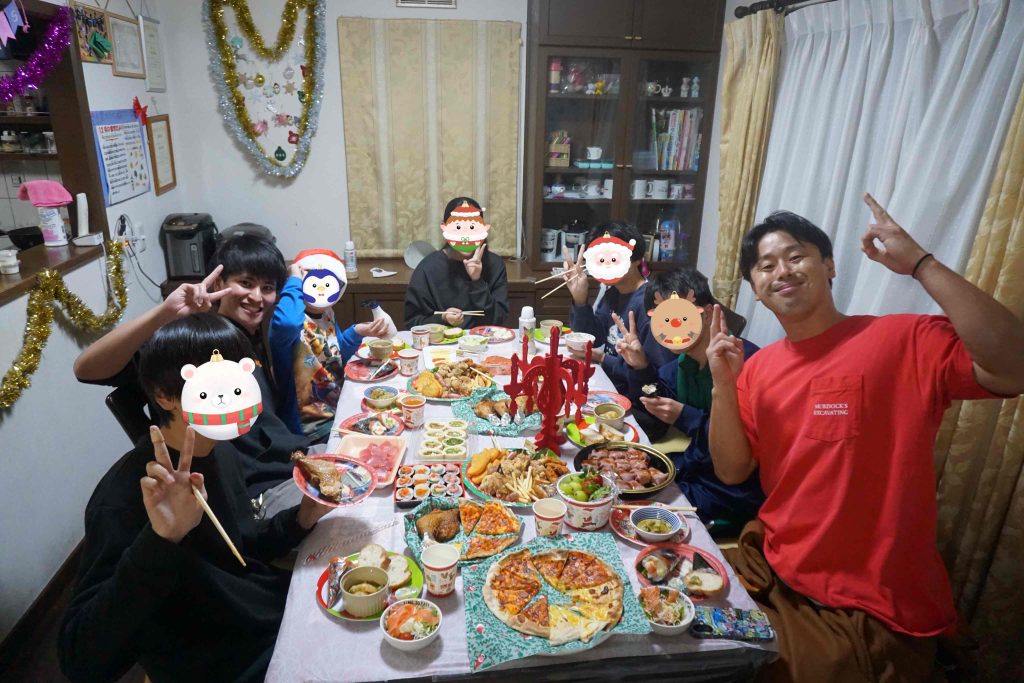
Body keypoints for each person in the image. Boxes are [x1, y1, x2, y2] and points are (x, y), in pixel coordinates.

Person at [706, 195, 1024, 682]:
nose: (782, 271)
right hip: (778, 565)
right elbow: (732, 471)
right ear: (756, 290)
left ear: (829, 266)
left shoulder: (904, 340)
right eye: (766, 266)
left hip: (872, 597)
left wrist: (922, 265)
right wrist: (722, 387)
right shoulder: (759, 368)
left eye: (796, 256)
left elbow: (1013, 368)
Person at [60, 314, 332, 683]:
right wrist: (162, 539)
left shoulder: (220, 450)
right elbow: (79, 659)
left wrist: (301, 518)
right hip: (222, 660)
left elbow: (241, 547)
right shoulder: (128, 496)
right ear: (164, 395)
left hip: (262, 613)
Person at [74, 232, 308, 502]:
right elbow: (86, 369)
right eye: (245, 283)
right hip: (263, 488)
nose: (257, 297)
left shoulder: (251, 335)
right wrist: (165, 313)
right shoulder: (195, 343)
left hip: (291, 460)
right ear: (219, 282)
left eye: (267, 288)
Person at [612, 268, 764, 524]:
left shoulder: (747, 363)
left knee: (632, 513)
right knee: (617, 475)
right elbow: (656, 405)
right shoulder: (683, 363)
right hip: (693, 466)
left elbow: (746, 450)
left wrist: (686, 416)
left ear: (707, 313)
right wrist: (640, 366)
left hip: (732, 492)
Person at [270, 254, 390, 434]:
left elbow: (336, 355)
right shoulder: (288, 323)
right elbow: (287, 323)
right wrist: (294, 278)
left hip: (337, 408)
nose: (320, 289)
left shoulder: (327, 313)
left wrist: (357, 331)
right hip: (310, 427)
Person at [562, 222, 675, 393]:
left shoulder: (652, 306)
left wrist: (603, 358)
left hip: (635, 399)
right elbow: (592, 339)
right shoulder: (613, 294)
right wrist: (580, 298)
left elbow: (656, 381)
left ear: (636, 259)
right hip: (609, 385)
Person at [404, 197, 509, 328]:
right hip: (441, 339)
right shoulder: (428, 268)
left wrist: (477, 282)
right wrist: (442, 319)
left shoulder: (495, 264)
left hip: (484, 338)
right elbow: (412, 323)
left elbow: (498, 319)